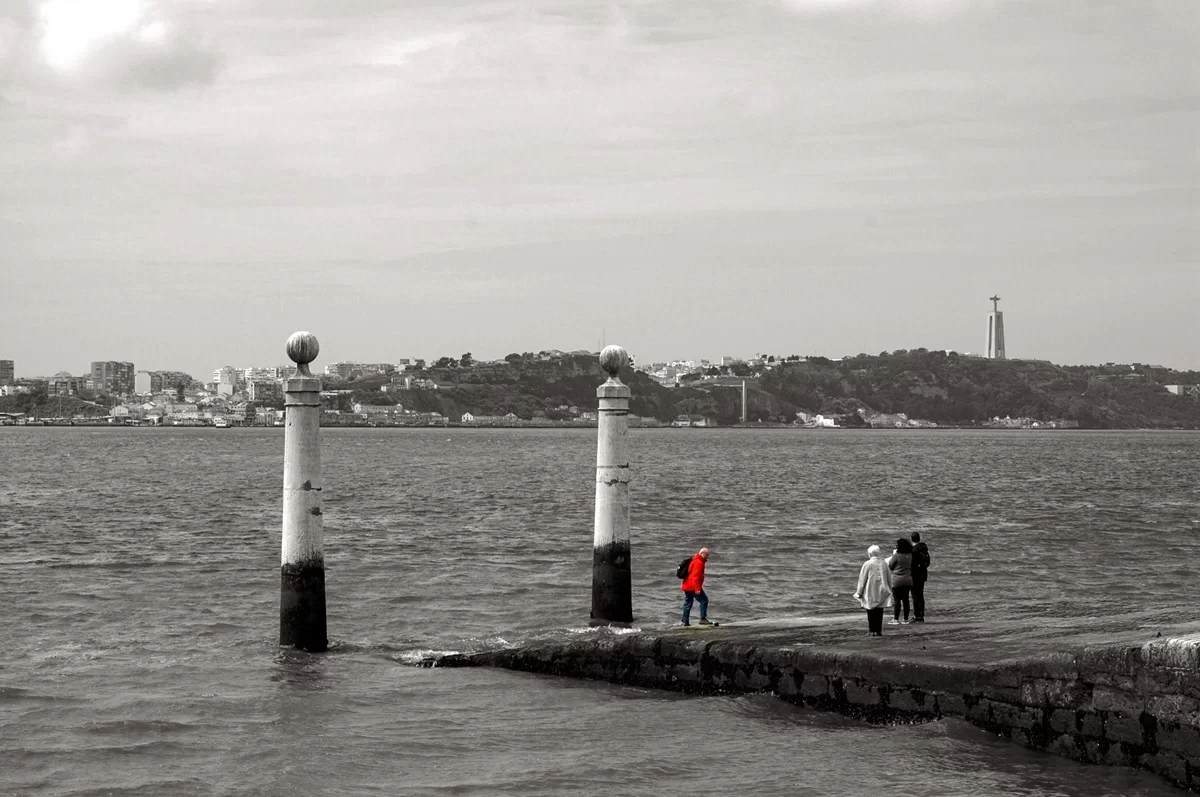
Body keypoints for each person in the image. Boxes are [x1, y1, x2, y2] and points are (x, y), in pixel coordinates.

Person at [854, 545, 893, 636]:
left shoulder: (867, 564)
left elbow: (862, 579)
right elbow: (889, 578)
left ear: (870, 554)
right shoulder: (883, 563)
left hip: (870, 589)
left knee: (870, 611)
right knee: (879, 611)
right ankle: (878, 630)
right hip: (882, 590)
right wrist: (889, 590)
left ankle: (872, 630)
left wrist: (859, 592)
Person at [680, 547, 711, 626]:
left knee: (688, 602)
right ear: (702, 553)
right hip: (693, 586)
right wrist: (697, 588)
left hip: (687, 585)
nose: (708, 557)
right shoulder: (699, 562)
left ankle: (685, 621)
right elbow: (695, 576)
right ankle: (703, 619)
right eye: (707, 555)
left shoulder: (694, 560)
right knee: (704, 600)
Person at [887, 537, 914, 625]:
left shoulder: (897, 556)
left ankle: (896, 619)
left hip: (897, 580)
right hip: (907, 579)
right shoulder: (910, 555)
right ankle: (905, 619)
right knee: (906, 599)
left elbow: (890, 566)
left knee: (897, 600)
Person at [910, 532, 930, 622]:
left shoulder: (914, 550)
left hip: (915, 575)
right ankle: (921, 615)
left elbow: (911, 563)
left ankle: (916, 615)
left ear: (911, 539)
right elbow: (927, 562)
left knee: (915, 596)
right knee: (920, 595)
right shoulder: (924, 549)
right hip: (923, 574)